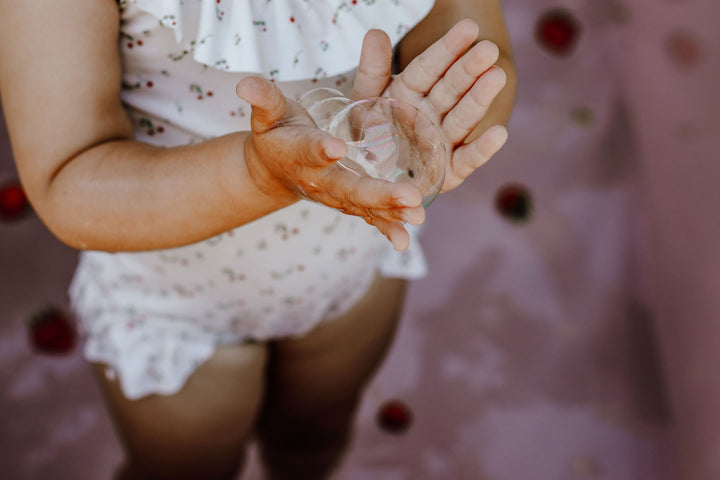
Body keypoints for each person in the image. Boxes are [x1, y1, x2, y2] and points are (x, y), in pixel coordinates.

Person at [0, 0, 516, 478]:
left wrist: (435, 128)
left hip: (345, 277)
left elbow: (478, 53)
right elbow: (69, 176)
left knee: (315, 440)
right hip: (173, 309)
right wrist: (257, 176)